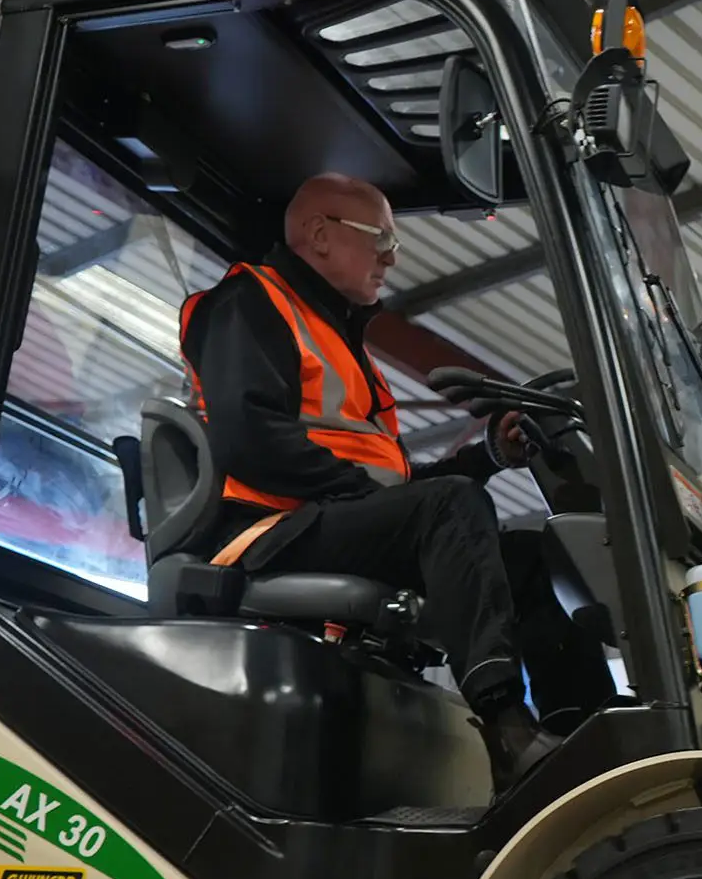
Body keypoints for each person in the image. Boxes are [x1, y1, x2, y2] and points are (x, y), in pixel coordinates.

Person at [178, 172, 613, 792]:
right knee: (447, 508)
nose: (390, 255)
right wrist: (382, 499)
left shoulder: (342, 341)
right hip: (268, 531)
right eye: (379, 237)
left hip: (332, 520)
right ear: (319, 234)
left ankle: (580, 732)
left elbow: (401, 485)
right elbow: (249, 437)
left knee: (536, 554)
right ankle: (507, 727)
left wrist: (488, 454)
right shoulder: (250, 302)